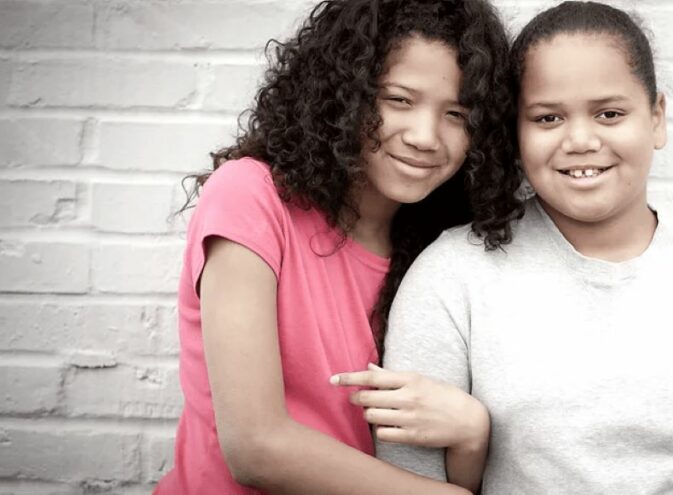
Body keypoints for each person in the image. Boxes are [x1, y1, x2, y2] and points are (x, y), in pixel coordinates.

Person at [340, 1, 673, 493]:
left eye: (609, 113)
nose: (580, 139)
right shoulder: (452, 277)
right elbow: (410, 479)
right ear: (515, 132)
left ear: (657, 118)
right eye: (547, 118)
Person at [155, 0, 522, 492]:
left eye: (457, 113)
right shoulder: (251, 197)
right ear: (344, 94)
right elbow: (255, 447)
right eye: (398, 100)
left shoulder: (444, 252)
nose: (425, 137)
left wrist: (472, 434)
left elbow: (429, 455)